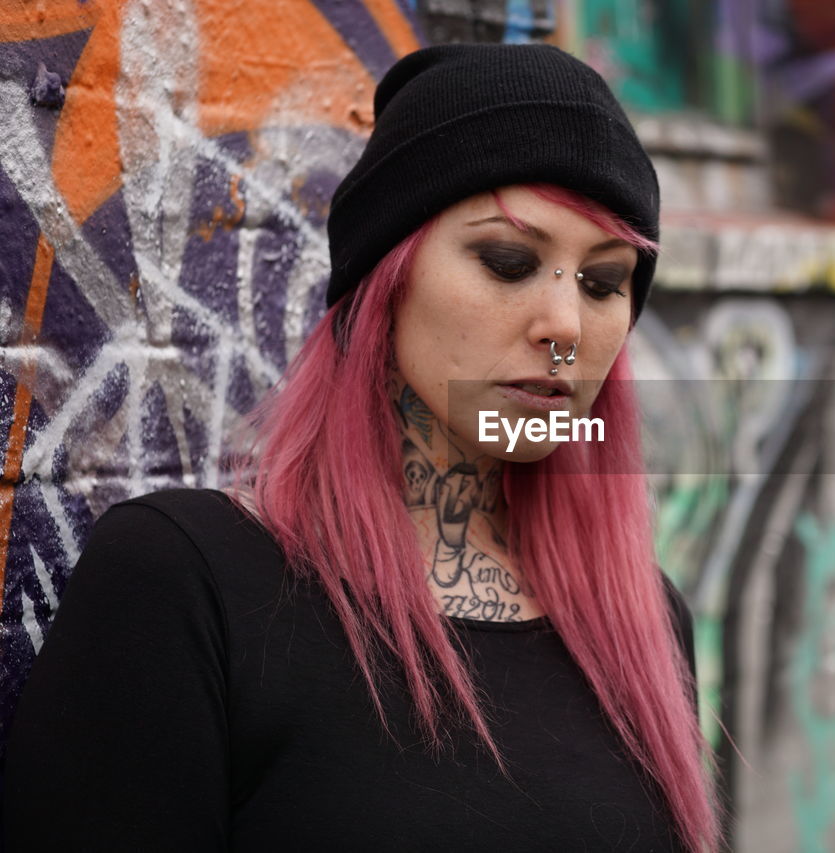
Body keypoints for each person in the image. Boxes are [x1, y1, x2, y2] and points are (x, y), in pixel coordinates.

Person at [3, 43, 723, 852]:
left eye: (604, 282)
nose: (566, 326)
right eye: (509, 260)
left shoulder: (643, 619)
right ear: (388, 277)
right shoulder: (188, 585)